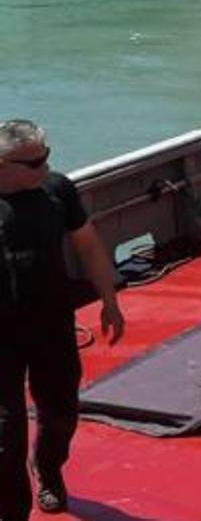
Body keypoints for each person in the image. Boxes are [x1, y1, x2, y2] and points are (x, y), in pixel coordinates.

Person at [0, 120, 125, 519]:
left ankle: (48, 466)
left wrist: (109, 299)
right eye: (36, 161)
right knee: (5, 433)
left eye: (47, 156)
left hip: (52, 323)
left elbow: (87, 246)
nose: (46, 167)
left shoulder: (57, 190)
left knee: (62, 412)